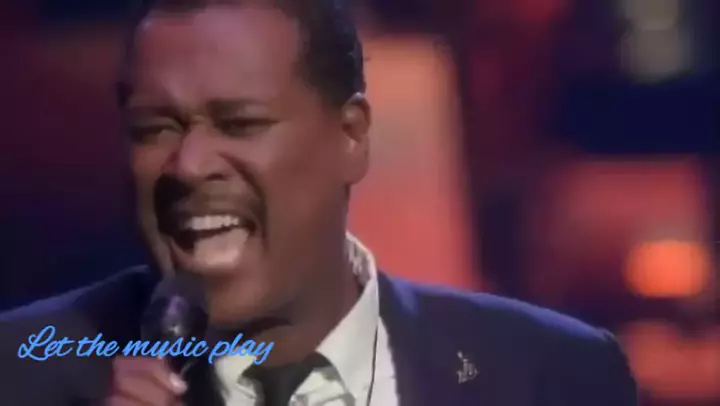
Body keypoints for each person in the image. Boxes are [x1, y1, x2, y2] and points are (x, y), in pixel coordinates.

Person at [0, 0, 638, 405]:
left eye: (241, 123)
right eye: (154, 130)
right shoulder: (25, 373)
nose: (188, 166)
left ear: (351, 136)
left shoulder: (553, 375)